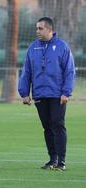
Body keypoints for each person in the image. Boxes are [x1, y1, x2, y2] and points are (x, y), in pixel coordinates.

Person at [18, 17, 75, 171]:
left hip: (57, 95)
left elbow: (69, 71)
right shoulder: (33, 48)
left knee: (58, 125)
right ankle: (52, 160)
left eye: (40, 28)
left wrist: (66, 92)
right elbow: (27, 71)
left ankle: (61, 162)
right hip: (39, 95)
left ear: (50, 29)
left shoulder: (62, 46)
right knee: (47, 128)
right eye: (37, 28)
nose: (37, 31)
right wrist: (24, 92)